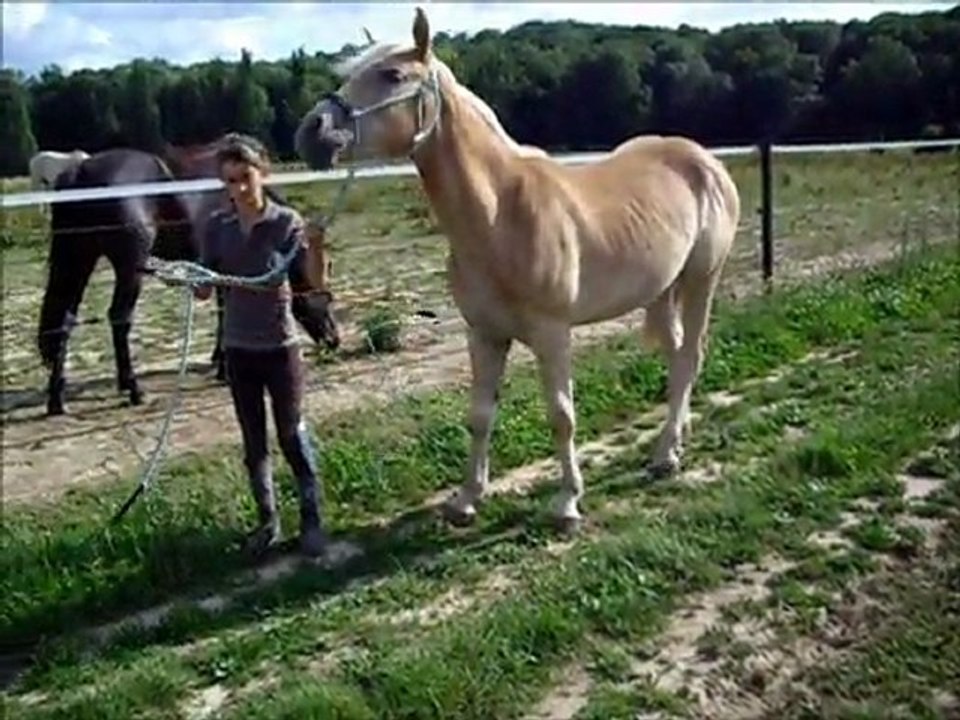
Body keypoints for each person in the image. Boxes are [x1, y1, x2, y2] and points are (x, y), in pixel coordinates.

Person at [193, 133, 325, 559]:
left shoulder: (286, 223)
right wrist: (195, 280)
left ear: (262, 174)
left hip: (279, 347)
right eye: (230, 181)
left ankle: (312, 520)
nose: (239, 189)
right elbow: (203, 289)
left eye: (245, 178)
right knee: (253, 440)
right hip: (238, 349)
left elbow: (314, 282)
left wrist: (317, 245)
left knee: (291, 433)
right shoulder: (218, 227)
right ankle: (268, 521)